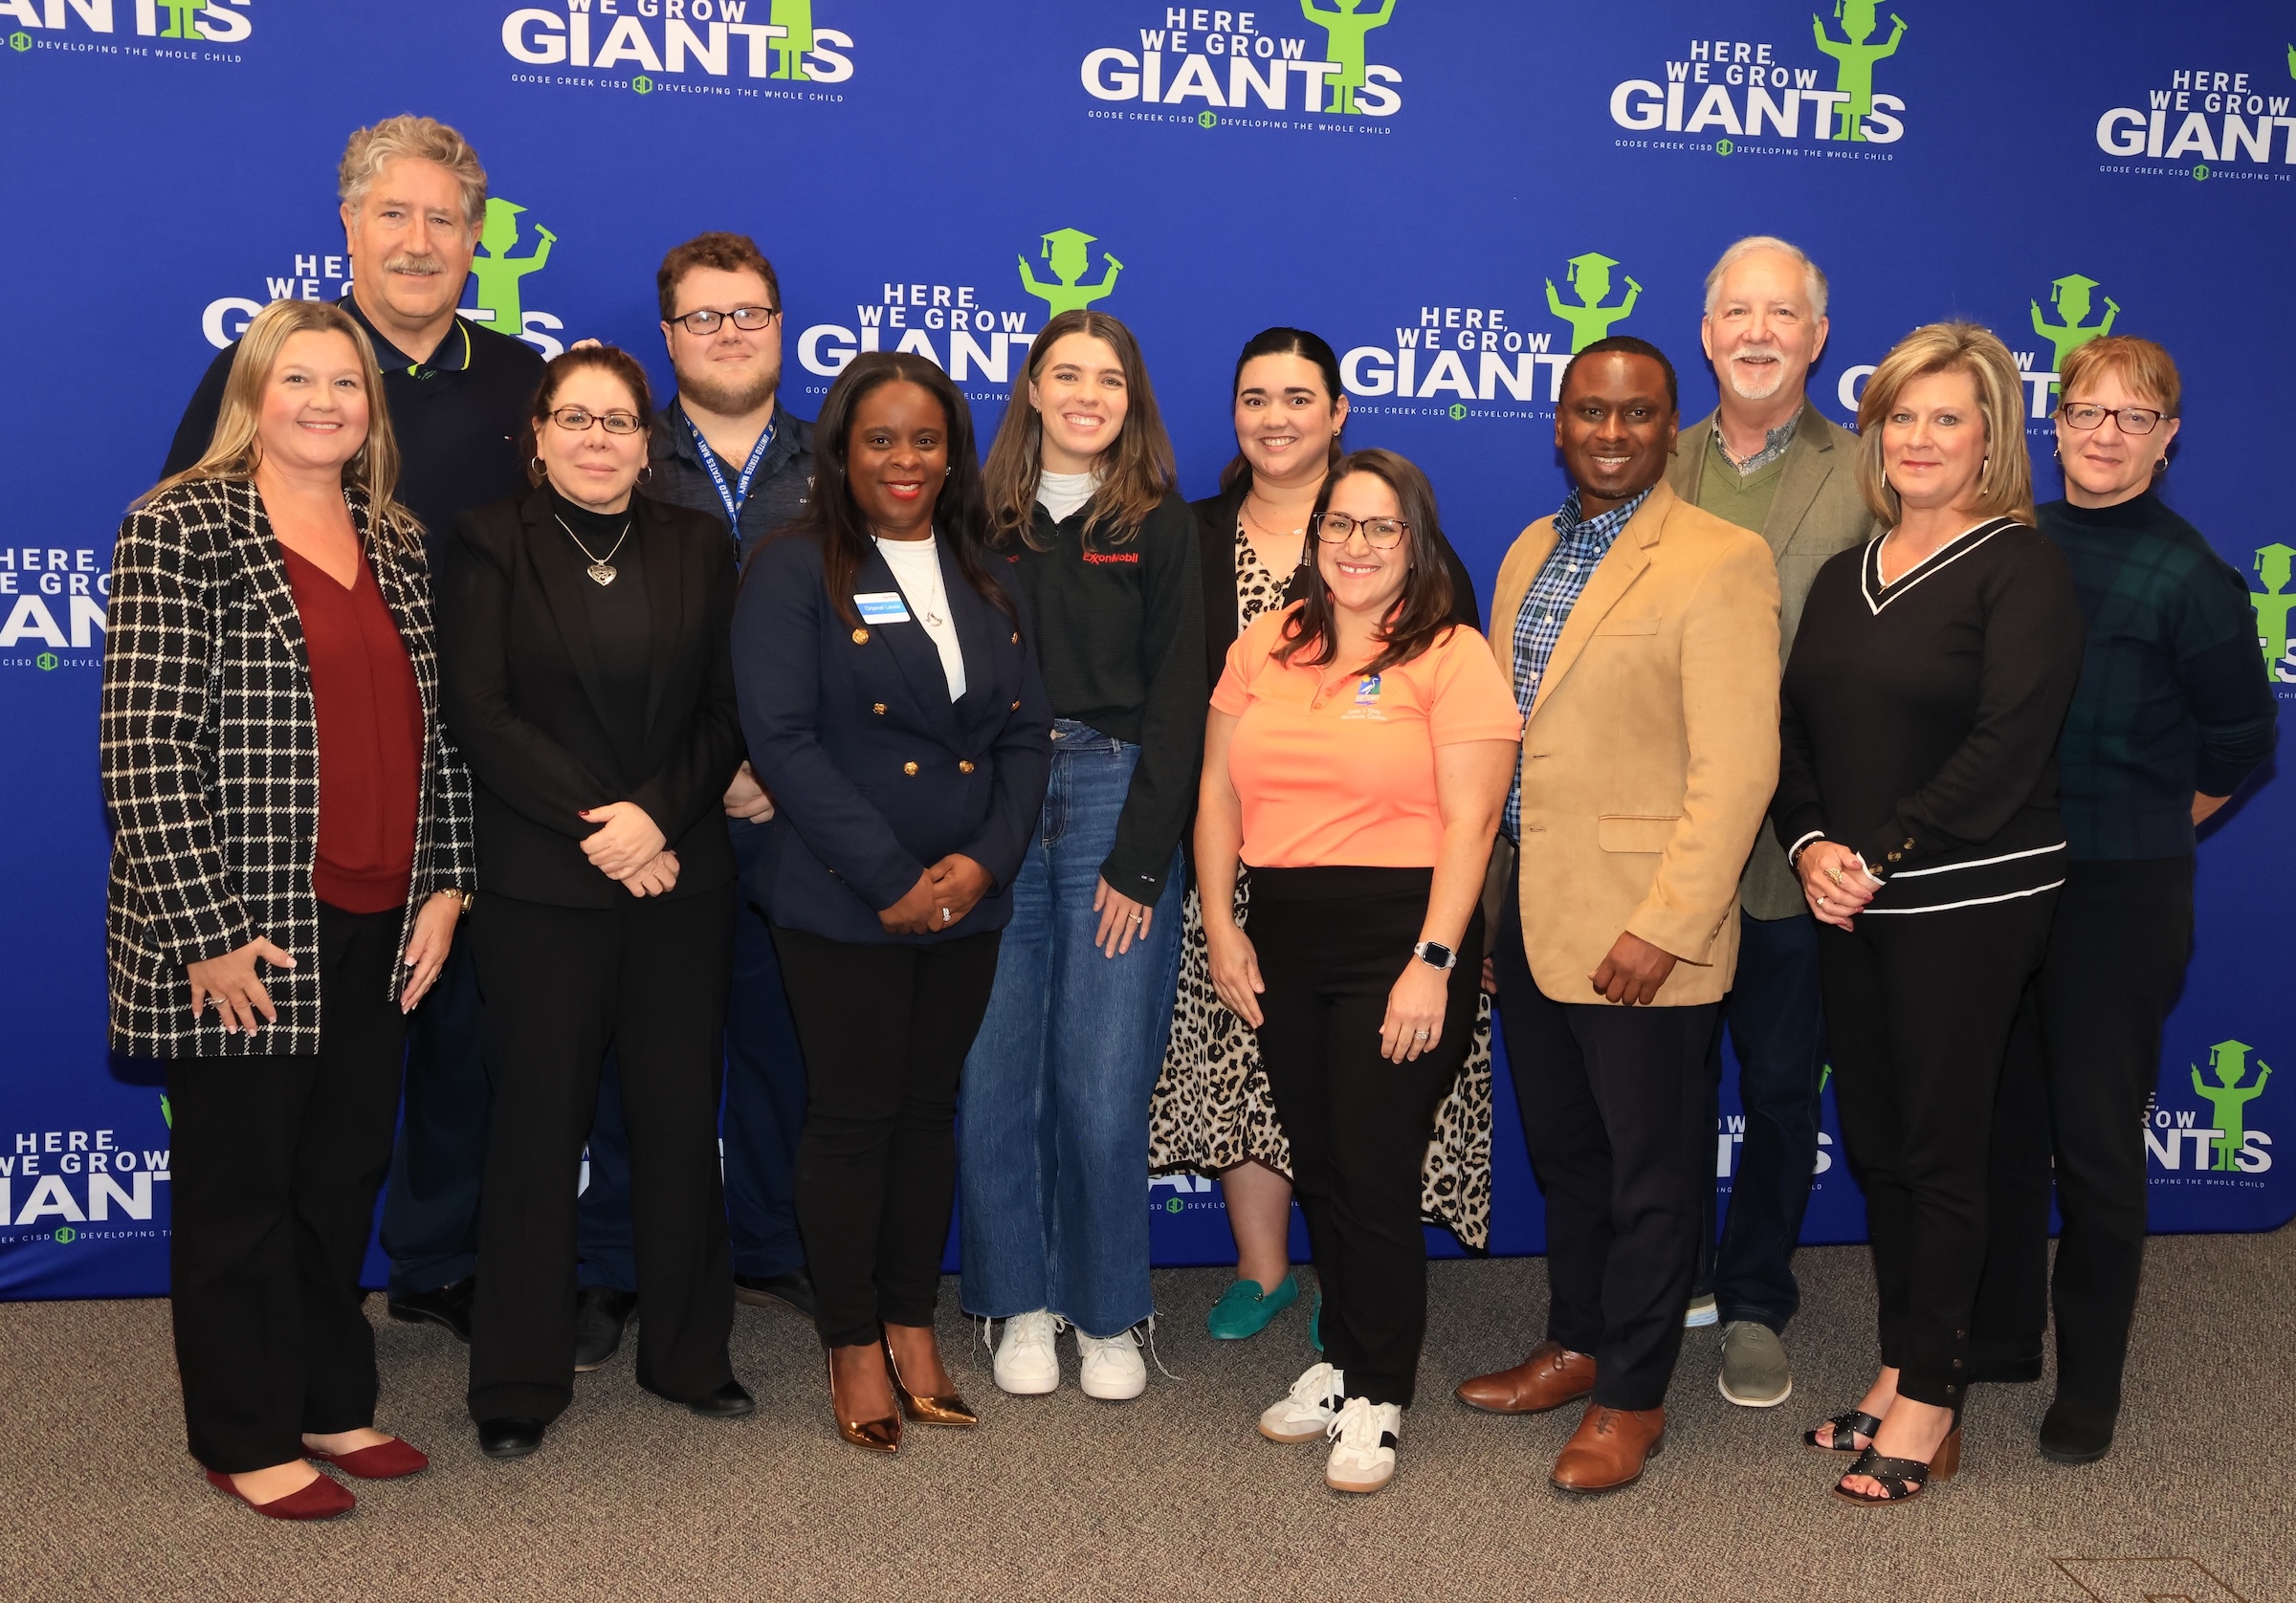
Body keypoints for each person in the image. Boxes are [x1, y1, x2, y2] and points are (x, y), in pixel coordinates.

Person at [164, 116, 545, 1345]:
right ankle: (272, 1369)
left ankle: (438, 1260)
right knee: (285, 1104)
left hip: (475, 774)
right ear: (349, 226)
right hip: (292, 809)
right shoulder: (280, 368)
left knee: (457, 1041)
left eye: (445, 219)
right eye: (395, 214)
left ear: (478, 241)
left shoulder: (526, 379)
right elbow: (180, 646)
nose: (421, 241)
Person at [105, 299, 476, 1519]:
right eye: (300, 379)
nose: (327, 402)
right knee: (241, 1193)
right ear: (253, 393)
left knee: (338, 1178)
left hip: (379, 919)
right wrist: (204, 930)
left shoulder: (400, 537)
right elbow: (144, 747)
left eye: (349, 385)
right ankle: (242, 1429)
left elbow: (442, 735)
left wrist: (444, 882)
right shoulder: (179, 524)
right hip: (243, 926)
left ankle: (330, 1394)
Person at [1456, 337, 1781, 1496]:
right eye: (1589, 411)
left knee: (1654, 1175)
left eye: (1636, 414)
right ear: (1557, 422)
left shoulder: (1720, 558)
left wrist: (1671, 922)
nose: (1610, 432)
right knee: (1571, 1156)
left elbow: (1739, 767)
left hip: (1647, 932)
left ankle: (1632, 1395)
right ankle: (1578, 1338)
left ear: (1669, 425)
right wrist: (1496, 915)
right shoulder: (1527, 550)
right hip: (1536, 920)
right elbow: (1515, 751)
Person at [1774, 321, 2084, 1504]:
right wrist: (1810, 844)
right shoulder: (1849, 568)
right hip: (1854, 901)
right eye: (1901, 416)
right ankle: (1899, 1360)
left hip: (1969, 899)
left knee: (1948, 1150)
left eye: (1946, 418)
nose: (1918, 438)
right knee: (1885, 1144)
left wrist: (1876, 850)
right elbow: (1799, 729)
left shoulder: (2022, 564)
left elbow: (2009, 746)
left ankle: (1936, 1402)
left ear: (1991, 435)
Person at [435, 346, 749, 1459]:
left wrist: (657, 819)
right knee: (536, 1126)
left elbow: (727, 708)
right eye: (577, 418)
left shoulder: (700, 543)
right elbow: (481, 713)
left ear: (647, 439)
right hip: (543, 888)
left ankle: (687, 1353)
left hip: (681, 879)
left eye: (620, 421)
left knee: (674, 1121)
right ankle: (516, 1378)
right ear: (538, 431)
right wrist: (609, 833)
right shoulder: (486, 541)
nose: (600, 438)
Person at [735, 353, 1051, 1452]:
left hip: (968, 899)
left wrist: (986, 864)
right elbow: (782, 739)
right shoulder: (792, 570)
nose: (906, 459)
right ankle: (852, 1337)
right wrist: (893, 880)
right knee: (856, 1115)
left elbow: (1021, 732)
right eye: (881, 439)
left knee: (927, 1115)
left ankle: (913, 1319)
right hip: (844, 899)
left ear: (952, 451)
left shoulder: (986, 569)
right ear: (843, 451)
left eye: (926, 439)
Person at [1150, 328, 1493, 1343]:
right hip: (1245, 865)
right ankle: (1269, 1268)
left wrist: (1450, 940)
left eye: (1300, 397)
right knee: (1256, 1077)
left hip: (1393, 879)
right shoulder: (1193, 535)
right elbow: (1184, 721)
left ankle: (1360, 1309)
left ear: (1339, 414)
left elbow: (1467, 776)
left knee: (1363, 1121)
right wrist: (1213, 909)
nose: (1276, 417)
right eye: (1255, 396)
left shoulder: (1419, 571)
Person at [1970, 337, 2275, 1463]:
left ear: (2169, 435)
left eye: (2132, 418)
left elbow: (2244, 737)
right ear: (2053, 424)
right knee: (2000, 1124)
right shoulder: (2014, 543)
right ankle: (1999, 1336)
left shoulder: (2191, 575)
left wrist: (2145, 822)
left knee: (2095, 1144)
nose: (2105, 434)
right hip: (2001, 885)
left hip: (2119, 898)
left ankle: (2087, 1380)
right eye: (2087, 411)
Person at [1203, 450, 1519, 1494]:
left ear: (1415, 541)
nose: (1355, 544)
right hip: (1287, 932)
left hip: (1405, 934)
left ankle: (1380, 1390)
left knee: (1374, 1169)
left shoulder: (1453, 654)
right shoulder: (1267, 643)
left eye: (1381, 527)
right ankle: (1341, 1357)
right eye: (1340, 523)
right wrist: (1221, 923)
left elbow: (1473, 823)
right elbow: (1218, 792)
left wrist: (1434, 961)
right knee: (1325, 1163)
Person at [572, 231, 821, 1370]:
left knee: (784, 1043)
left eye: (750, 314)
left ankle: (770, 1241)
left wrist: (777, 764)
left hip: (800, 810)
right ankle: (616, 1259)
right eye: (705, 317)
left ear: (781, 326)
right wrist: (699, 770)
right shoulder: (616, 454)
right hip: (653, 812)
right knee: (642, 1050)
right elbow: (574, 644)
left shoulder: (841, 464)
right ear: (666, 337)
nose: (730, 334)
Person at [960, 309, 1205, 1402]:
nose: (1087, 394)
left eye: (1109, 378)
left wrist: (1143, 857)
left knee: (1103, 1087)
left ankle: (1107, 1308)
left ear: (1131, 398)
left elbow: (1179, 700)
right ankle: (1016, 1298)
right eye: (1068, 374)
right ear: (1031, 389)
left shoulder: (1159, 523)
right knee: (993, 1075)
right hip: (998, 797)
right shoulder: (976, 516)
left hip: (1116, 798)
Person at [1667, 237, 1883, 1404]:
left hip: (1803, 848)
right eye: (1736, 311)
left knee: (1784, 1085)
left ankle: (1755, 1300)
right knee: (1663, 1087)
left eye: (1782, 314)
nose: (1758, 332)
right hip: (1667, 841)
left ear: (1816, 336)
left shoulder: (1869, 473)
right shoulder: (1649, 457)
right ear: (1707, 334)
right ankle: (1672, 1280)